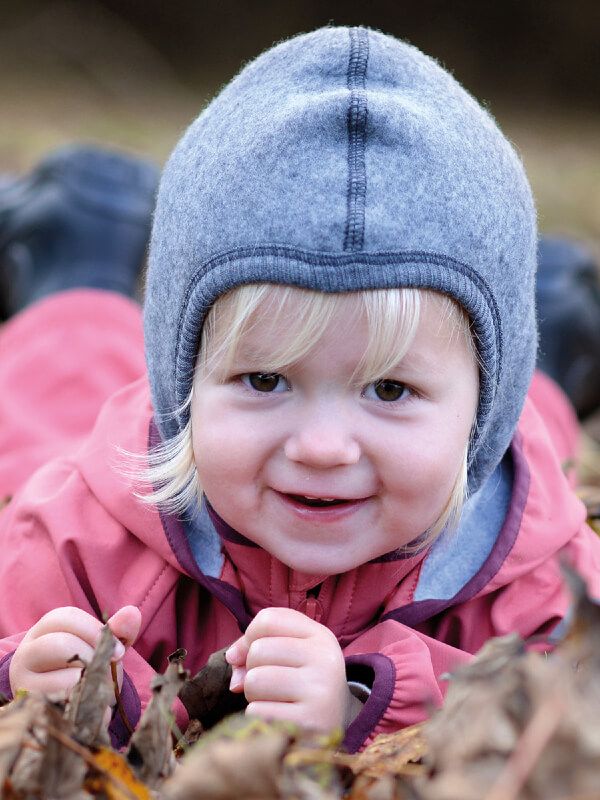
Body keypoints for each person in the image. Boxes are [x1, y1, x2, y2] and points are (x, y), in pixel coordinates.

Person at [0, 27, 599, 754]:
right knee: (46, 428)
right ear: (182, 384)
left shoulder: (543, 582)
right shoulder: (83, 532)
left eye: (388, 388)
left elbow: (566, 712)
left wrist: (364, 703)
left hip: (500, 438)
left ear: (486, 409)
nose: (321, 447)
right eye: (263, 379)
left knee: (536, 466)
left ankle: (552, 358)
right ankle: (77, 270)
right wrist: (20, 678)